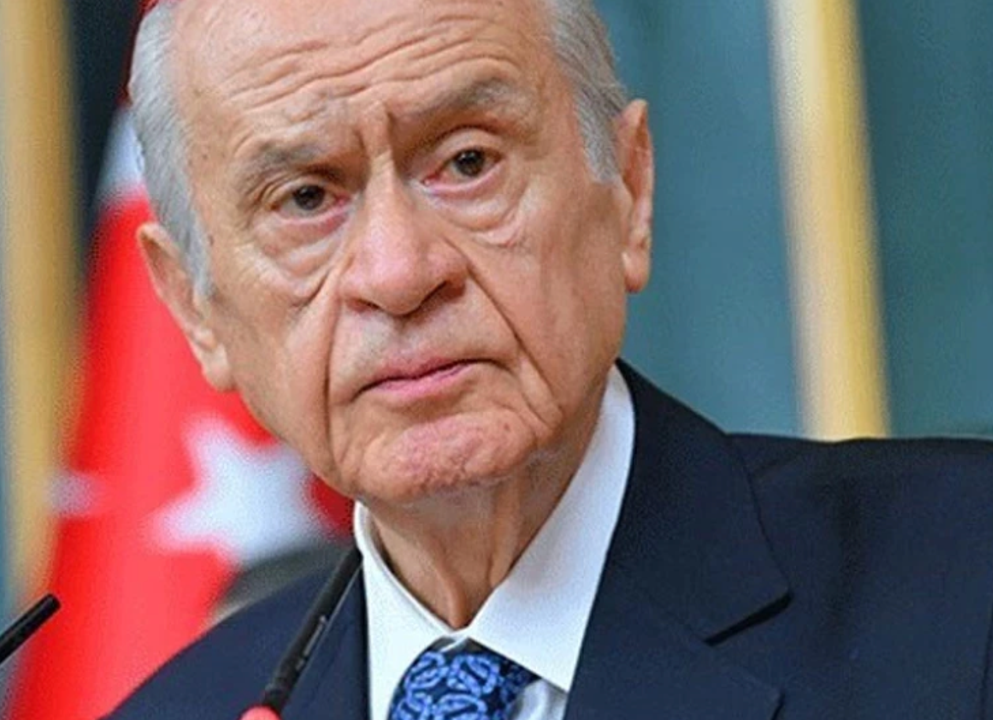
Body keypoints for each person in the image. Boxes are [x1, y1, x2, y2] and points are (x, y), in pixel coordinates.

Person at [107, 0, 993, 717]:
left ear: (628, 191)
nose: (400, 272)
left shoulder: (964, 590)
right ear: (195, 307)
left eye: (467, 161)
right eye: (306, 199)